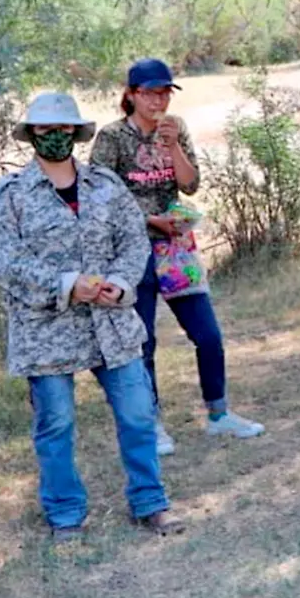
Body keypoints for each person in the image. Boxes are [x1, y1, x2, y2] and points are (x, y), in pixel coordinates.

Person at [0, 93, 185, 541]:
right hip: (45, 330)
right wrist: (67, 283)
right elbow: (4, 261)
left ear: (76, 133)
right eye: (45, 129)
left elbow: (133, 242)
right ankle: (66, 515)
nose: (55, 136)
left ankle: (150, 503)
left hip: (110, 322)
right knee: (55, 425)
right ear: (31, 134)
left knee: (137, 413)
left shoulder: (106, 185)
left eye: (63, 129)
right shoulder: (9, 196)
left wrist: (122, 283)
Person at [91, 58, 263, 455]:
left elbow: (191, 184)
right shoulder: (112, 138)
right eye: (151, 92)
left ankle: (219, 414)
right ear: (131, 95)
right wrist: (150, 218)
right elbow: (102, 196)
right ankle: (151, 423)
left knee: (208, 334)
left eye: (165, 92)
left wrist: (171, 146)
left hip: (175, 247)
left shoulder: (176, 128)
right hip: (132, 248)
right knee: (143, 339)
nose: (159, 100)